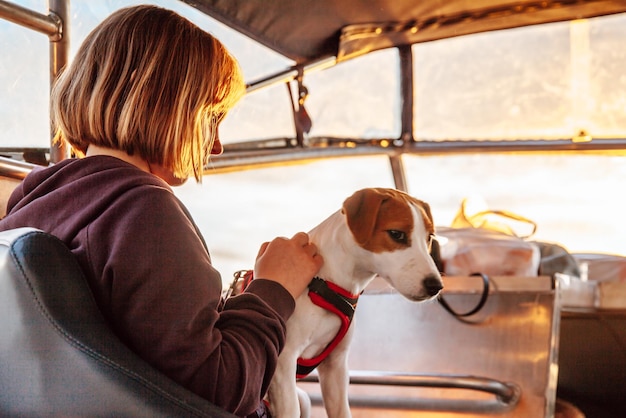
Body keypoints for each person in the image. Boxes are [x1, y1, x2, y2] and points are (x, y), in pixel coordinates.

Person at [0, 5, 322, 418]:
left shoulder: (35, 198)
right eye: (212, 117)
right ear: (161, 101)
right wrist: (274, 290)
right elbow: (221, 394)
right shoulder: (144, 212)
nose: (217, 145)